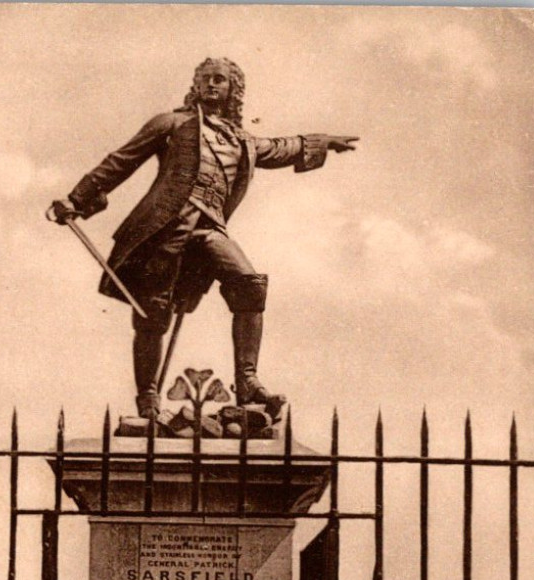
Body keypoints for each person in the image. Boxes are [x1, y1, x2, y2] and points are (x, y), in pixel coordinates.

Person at [50, 58, 358, 419]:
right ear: (195, 85)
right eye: (205, 79)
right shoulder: (173, 123)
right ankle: (148, 400)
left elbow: (278, 148)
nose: (212, 85)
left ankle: (247, 384)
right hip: (165, 227)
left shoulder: (242, 141)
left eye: (220, 80)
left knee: (249, 285)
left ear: (232, 90)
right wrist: (77, 198)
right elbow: (122, 160)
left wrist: (322, 142)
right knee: (153, 314)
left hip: (209, 227)